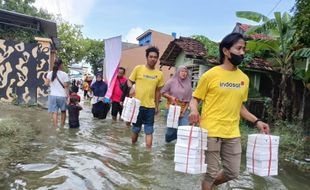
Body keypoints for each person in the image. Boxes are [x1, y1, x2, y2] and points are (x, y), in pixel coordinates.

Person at [189, 33, 270, 190]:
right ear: (226, 51)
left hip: (233, 132)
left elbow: (240, 107)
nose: (242, 52)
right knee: (211, 173)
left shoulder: (244, 79)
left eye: (243, 49)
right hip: (211, 131)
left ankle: (209, 186)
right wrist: (193, 110)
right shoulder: (210, 75)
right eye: (239, 48)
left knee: (233, 172)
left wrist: (257, 121)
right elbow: (195, 99)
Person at [127, 46, 164, 148]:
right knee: (136, 129)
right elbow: (129, 81)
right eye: (151, 56)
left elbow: (158, 91)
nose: (153, 59)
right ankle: (132, 149)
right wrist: (132, 87)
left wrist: (157, 106)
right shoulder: (138, 69)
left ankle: (148, 153)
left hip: (150, 107)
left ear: (157, 59)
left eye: (155, 57)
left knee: (149, 130)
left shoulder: (159, 74)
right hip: (137, 105)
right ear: (147, 57)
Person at [161, 66, 192, 143]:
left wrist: (183, 112)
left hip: (184, 109)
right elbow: (163, 92)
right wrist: (171, 97)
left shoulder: (188, 84)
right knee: (170, 132)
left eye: (185, 72)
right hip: (172, 108)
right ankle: (167, 145)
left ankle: (180, 145)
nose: (184, 73)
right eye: (182, 71)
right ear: (178, 72)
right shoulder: (171, 81)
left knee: (185, 130)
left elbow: (188, 100)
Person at [45, 58, 69, 128]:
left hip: (52, 96)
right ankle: (62, 126)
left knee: (54, 112)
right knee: (63, 111)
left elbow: (46, 84)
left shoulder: (50, 73)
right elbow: (66, 86)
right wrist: (68, 97)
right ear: (61, 65)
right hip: (62, 96)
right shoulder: (64, 74)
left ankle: (55, 127)